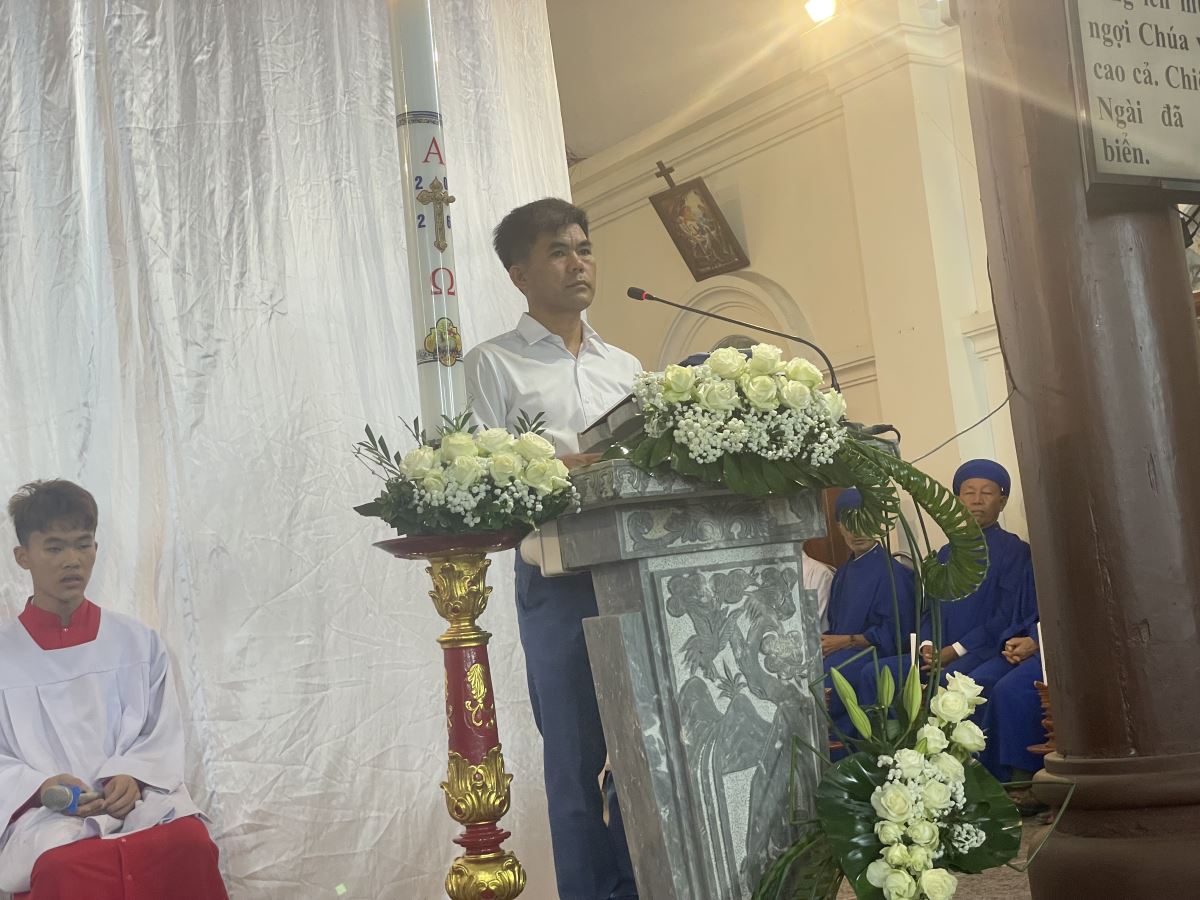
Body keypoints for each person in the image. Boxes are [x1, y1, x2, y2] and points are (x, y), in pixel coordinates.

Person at [464, 198, 640, 900]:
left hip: (637, 574)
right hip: (559, 581)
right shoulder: (493, 364)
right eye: (559, 252)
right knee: (575, 762)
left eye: (584, 248)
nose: (578, 263)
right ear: (519, 274)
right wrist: (563, 468)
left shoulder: (623, 366)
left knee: (642, 755)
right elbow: (480, 478)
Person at [0, 480, 227, 900]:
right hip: (48, 816)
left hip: (137, 803)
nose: (72, 560)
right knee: (63, 866)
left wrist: (132, 773)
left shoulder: (137, 643)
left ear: (96, 548)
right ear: (22, 556)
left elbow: (160, 731)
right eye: (54, 547)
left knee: (190, 844)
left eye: (82, 544)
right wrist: (43, 786)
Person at [854, 459, 1036, 700]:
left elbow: (1005, 615)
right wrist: (927, 645)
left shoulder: (1014, 551)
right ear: (958, 501)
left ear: (1001, 502)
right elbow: (930, 610)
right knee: (875, 672)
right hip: (938, 652)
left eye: (986, 493)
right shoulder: (945, 553)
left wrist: (956, 650)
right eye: (969, 493)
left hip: (981, 650)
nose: (977, 500)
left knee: (947, 682)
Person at [822, 489, 916, 734]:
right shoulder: (843, 573)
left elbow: (898, 635)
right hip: (841, 651)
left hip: (874, 653)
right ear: (839, 527)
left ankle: (849, 747)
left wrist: (847, 641)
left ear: (879, 523)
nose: (858, 531)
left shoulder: (894, 573)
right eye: (850, 523)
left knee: (827, 676)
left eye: (865, 521)